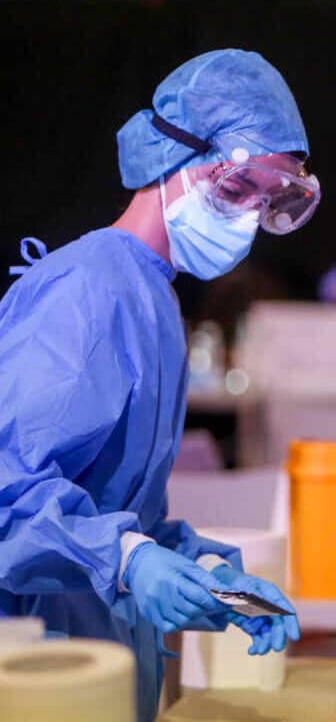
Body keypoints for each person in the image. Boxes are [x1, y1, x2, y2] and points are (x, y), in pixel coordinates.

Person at [0, 49, 310, 722]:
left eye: (268, 200)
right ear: (163, 160)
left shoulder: (151, 298)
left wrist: (204, 572)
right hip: (37, 672)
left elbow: (116, 507)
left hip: (98, 670)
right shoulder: (86, 292)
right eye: (235, 189)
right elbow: (8, 490)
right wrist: (129, 559)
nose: (248, 218)